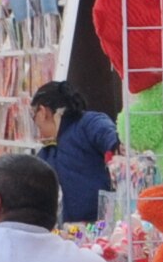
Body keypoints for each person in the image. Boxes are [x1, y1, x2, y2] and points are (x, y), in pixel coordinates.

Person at [31, 81, 122, 224]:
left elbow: (113, 140)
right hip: (69, 233)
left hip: (101, 228)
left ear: (42, 112)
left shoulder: (89, 123)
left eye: (33, 116)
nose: (36, 124)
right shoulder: (47, 151)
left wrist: (116, 148)